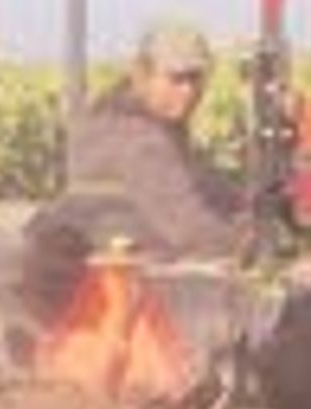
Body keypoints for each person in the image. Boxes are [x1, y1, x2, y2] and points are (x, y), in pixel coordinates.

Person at [65, 16, 245, 265]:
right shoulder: (137, 143)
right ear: (141, 75)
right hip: (137, 292)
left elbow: (210, 188)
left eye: (195, 79)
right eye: (176, 79)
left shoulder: (149, 125)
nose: (189, 92)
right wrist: (256, 238)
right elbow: (196, 235)